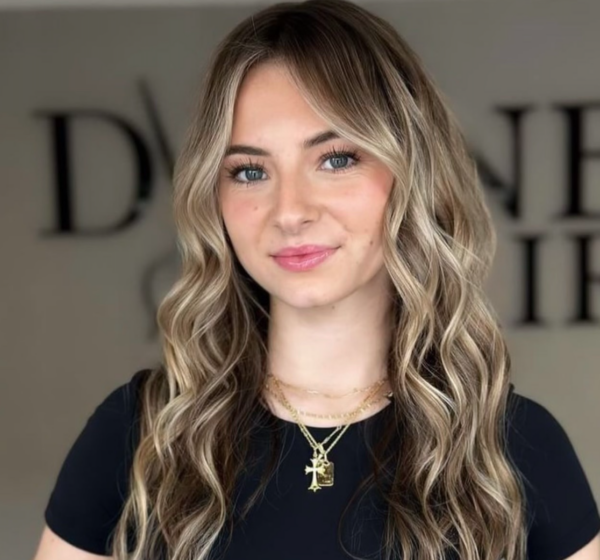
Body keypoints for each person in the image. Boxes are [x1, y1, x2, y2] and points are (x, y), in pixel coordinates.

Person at [32, 1, 600, 559]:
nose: (290, 210)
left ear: (411, 172)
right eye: (250, 171)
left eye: (335, 159)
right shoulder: (139, 434)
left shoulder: (514, 451)